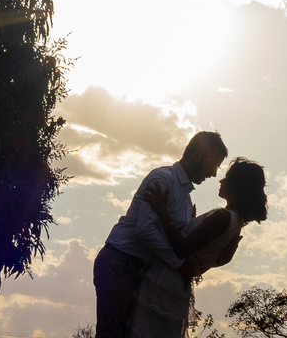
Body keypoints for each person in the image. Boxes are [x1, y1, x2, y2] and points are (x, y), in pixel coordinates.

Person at [94, 132, 229, 338]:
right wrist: (179, 264)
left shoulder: (186, 199)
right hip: (121, 262)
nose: (213, 174)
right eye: (213, 165)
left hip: (141, 270)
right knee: (111, 333)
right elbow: (144, 230)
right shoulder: (162, 178)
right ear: (197, 155)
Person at [127, 158, 268, 338]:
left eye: (226, 178)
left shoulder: (223, 217)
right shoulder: (236, 223)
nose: (221, 180)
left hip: (165, 280)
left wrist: (163, 212)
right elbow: (218, 258)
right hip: (177, 284)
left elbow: (182, 249)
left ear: (237, 185)